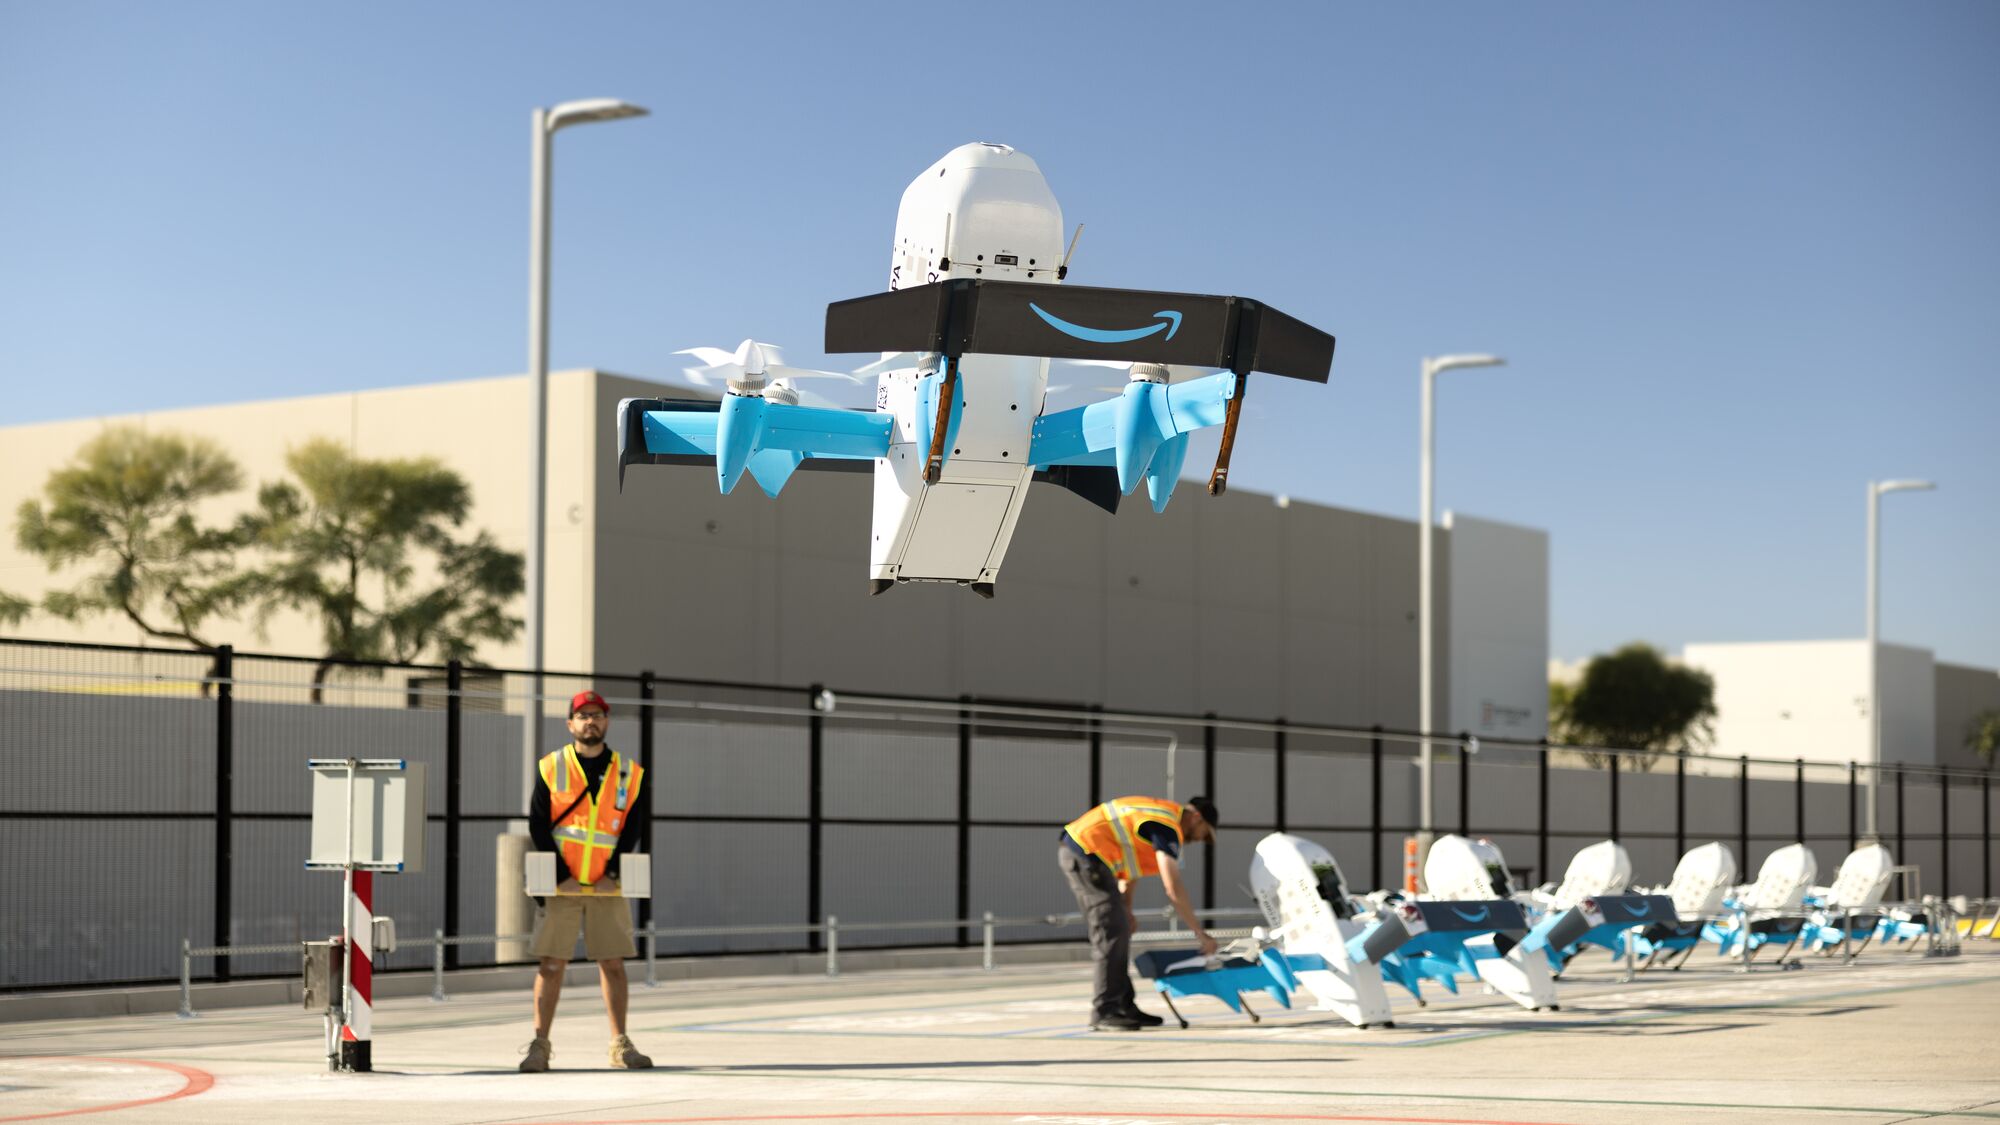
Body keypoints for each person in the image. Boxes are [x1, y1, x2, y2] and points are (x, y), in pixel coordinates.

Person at [519, 690, 653, 1072]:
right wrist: (564, 876)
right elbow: (538, 824)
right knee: (551, 963)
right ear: (570, 724)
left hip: (607, 883)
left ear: (606, 722)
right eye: (583, 715)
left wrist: (611, 873)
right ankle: (540, 1045)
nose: (590, 721)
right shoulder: (552, 766)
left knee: (613, 962)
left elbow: (632, 827)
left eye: (597, 715)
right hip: (563, 885)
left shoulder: (629, 772)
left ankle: (620, 1045)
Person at [1056, 795, 1218, 1031]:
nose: (1201, 839)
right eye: (1205, 832)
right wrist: (1200, 934)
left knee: (1119, 928)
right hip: (1086, 854)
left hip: (1090, 856)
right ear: (1196, 817)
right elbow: (1172, 886)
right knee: (1110, 933)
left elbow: (1130, 868)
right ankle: (1104, 1011)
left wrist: (1127, 909)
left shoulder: (1158, 818)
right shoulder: (1167, 825)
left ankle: (1123, 1006)